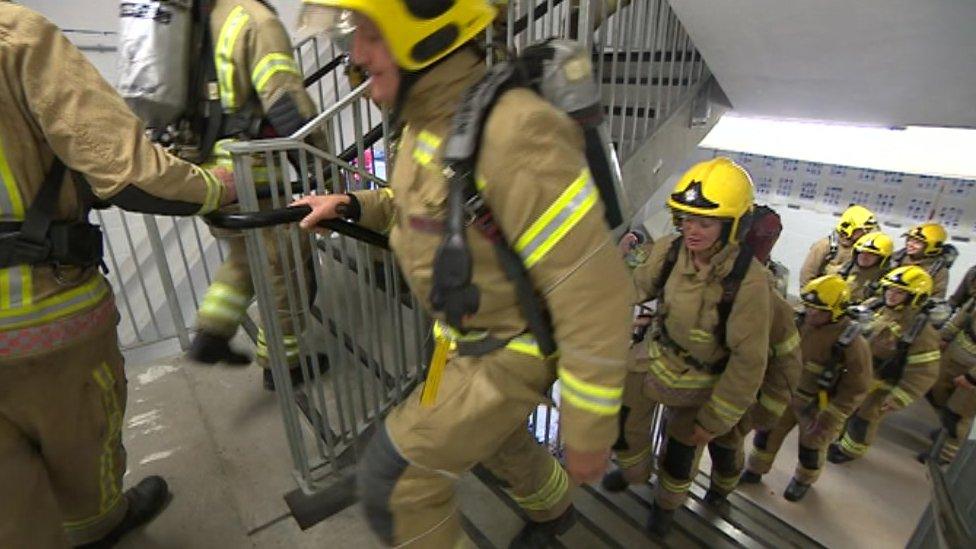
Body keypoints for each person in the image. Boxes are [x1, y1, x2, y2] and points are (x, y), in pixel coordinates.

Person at [294, 0, 633, 546]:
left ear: (425, 34)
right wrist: (353, 206)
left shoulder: (514, 133)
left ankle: (553, 500)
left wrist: (589, 429)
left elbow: (595, 294)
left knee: (398, 477)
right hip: (453, 345)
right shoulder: (431, 124)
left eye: (371, 34)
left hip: (509, 355)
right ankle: (554, 509)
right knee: (495, 440)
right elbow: (429, 209)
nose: (355, 55)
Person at [0, 4, 235, 548]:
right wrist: (222, 186)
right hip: (41, 318)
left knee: (11, 508)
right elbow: (130, 175)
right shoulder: (17, 36)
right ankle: (101, 527)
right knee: (83, 453)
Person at [602, 157, 770, 537]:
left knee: (679, 457)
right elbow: (634, 288)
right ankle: (633, 475)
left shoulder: (751, 284)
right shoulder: (670, 251)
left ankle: (666, 507)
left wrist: (713, 421)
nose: (692, 230)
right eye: (686, 219)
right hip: (655, 357)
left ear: (732, 226)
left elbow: (748, 362)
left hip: (703, 382)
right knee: (623, 427)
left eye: (705, 223)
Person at [186, 0, 330, 390]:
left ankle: (211, 332)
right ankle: (283, 366)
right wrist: (323, 164)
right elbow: (285, 101)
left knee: (245, 257)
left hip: (209, 172)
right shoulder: (254, 19)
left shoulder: (202, 18)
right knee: (288, 271)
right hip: (255, 175)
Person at [701, 205, 802, 508]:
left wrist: (763, 414)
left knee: (726, 448)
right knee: (683, 448)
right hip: (695, 384)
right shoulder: (706, 274)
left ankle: (719, 492)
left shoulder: (770, 299)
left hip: (735, 395)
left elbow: (786, 361)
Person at [741, 275, 872, 502]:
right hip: (785, 394)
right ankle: (755, 469)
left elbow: (857, 386)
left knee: (811, 447)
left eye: (819, 311)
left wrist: (832, 414)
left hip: (818, 406)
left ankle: (803, 479)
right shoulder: (798, 321)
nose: (812, 314)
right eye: (810, 307)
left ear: (837, 311)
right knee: (766, 434)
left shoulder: (852, 343)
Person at [829, 265, 941, 464]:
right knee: (845, 408)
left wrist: (897, 398)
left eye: (900, 293)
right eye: (890, 289)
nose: (892, 295)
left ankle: (850, 450)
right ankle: (837, 438)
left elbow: (924, 372)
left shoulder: (920, 330)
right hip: (858, 373)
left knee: (864, 419)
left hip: (882, 384)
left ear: (915, 297)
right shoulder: (875, 306)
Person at [921, 297, 976, 464]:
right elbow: (963, 315)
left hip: (972, 375)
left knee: (957, 415)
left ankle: (945, 456)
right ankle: (945, 433)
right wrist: (944, 337)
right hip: (955, 355)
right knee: (936, 394)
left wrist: (972, 378)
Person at [799, 204, 878, 288]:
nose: (866, 233)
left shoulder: (862, 249)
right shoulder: (824, 246)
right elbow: (806, 277)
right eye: (863, 230)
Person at [889, 222, 951, 298]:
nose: (910, 244)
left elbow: (936, 298)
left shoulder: (939, 272)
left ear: (932, 246)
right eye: (910, 239)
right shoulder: (896, 258)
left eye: (917, 242)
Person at [839, 231, 893, 304]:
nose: (864, 256)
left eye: (871, 254)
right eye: (862, 251)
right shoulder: (844, 270)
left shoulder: (886, 282)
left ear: (882, 259)